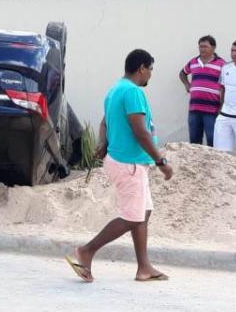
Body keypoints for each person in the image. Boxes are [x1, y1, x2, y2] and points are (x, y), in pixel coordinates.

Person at [66, 49, 173, 282]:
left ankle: (144, 268)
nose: (150, 76)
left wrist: (103, 142)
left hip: (126, 161)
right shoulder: (133, 92)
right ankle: (86, 251)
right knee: (133, 217)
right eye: (151, 70)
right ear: (142, 68)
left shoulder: (115, 89)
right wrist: (161, 160)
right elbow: (140, 131)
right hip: (129, 163)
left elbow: (104, 122)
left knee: (143, 212)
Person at [179, 35, 226, 147]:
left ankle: (214, 164)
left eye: (205, 46)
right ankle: (196, 164)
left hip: (212, 110)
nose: (202, 49)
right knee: (194, 142)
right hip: (194, 109)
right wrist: (187, 84)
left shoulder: (222, 64)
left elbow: (225, 87)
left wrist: (222, 107)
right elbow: (182, 73)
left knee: (213, 140)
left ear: (213, 48)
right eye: (200, 46)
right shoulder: (193, 62)